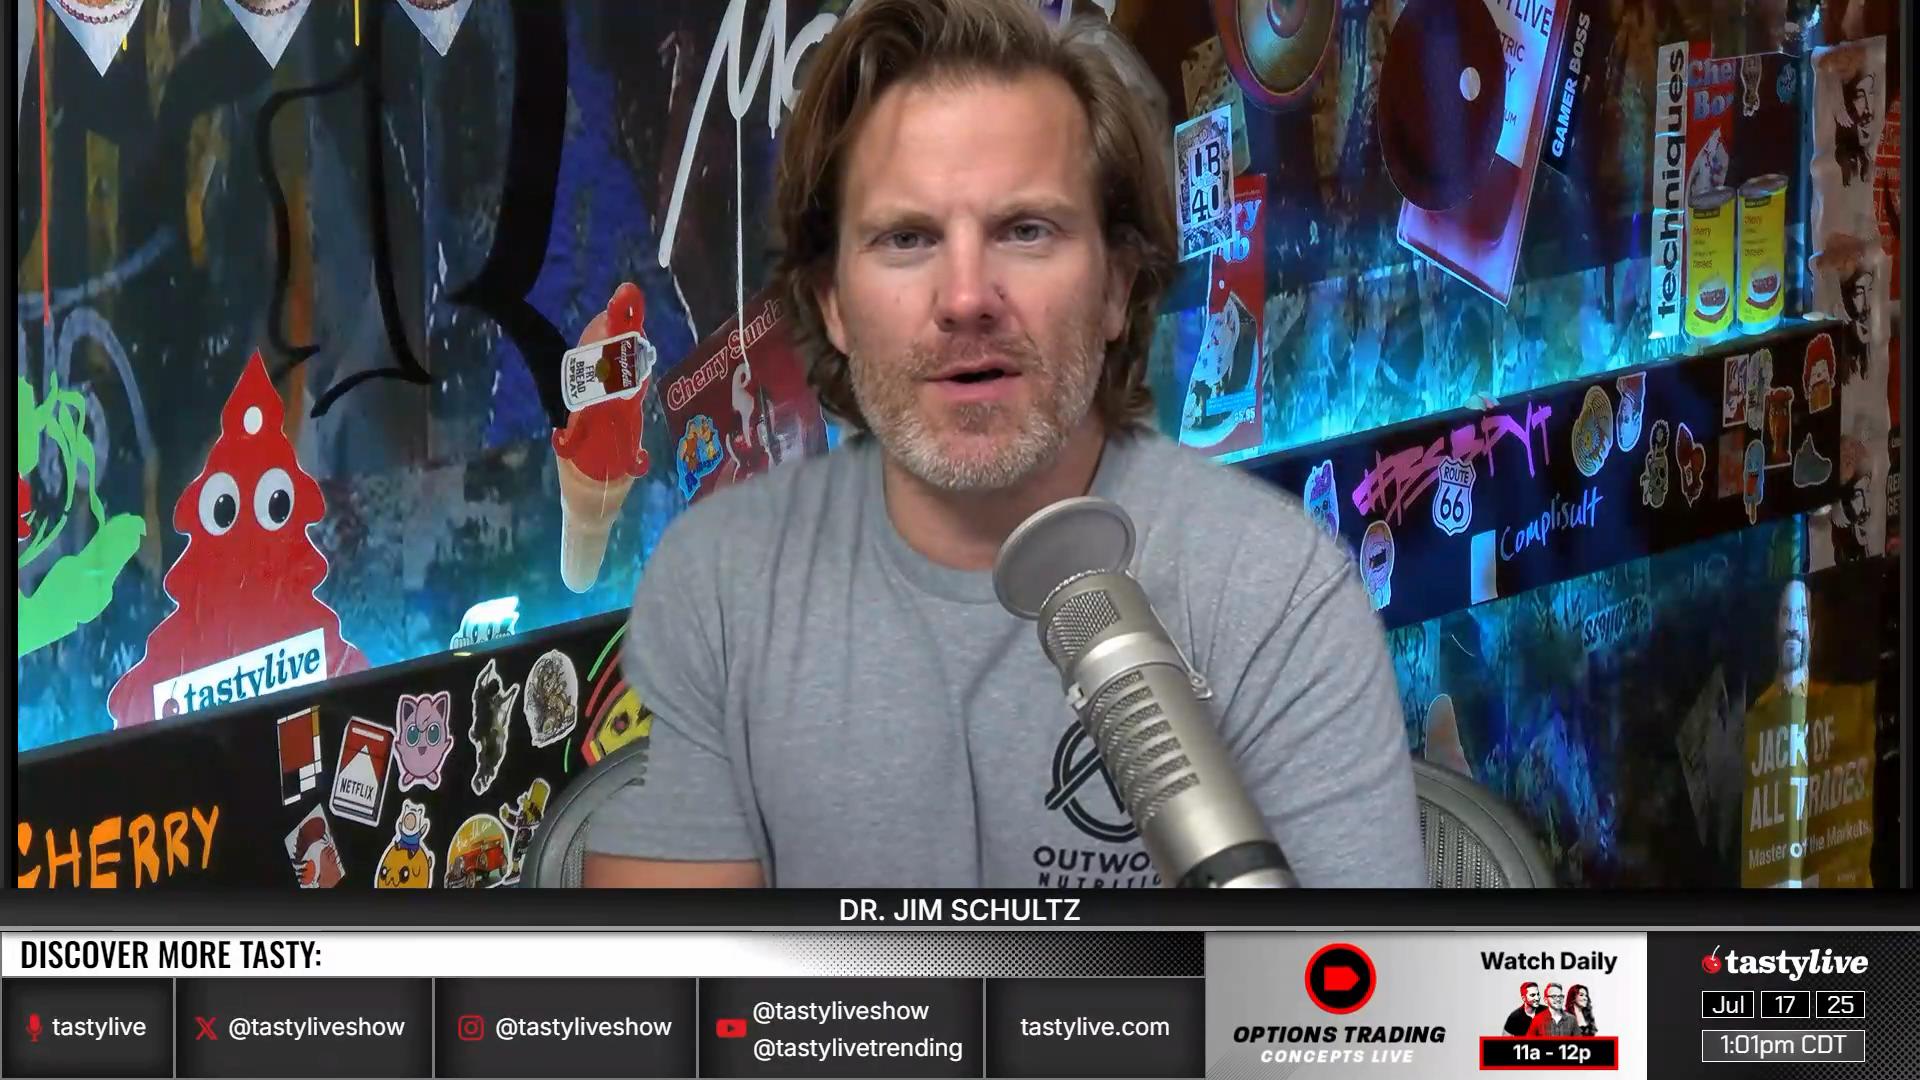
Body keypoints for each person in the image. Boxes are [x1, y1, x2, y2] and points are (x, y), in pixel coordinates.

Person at [580, 0, 1423, 888]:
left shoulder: (1281, 594)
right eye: (907, 238)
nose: (966, 298)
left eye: (1026, 230)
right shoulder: (718, 586)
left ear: (1116, 286)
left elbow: (1347, 980)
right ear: (832, 305)